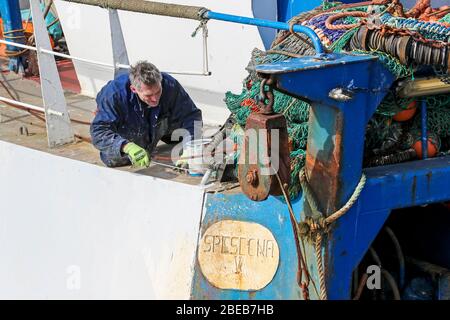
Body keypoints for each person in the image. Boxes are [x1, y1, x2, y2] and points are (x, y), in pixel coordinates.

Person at [90, 61, 202, 168]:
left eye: (158, 92)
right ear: (133, 89)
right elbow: (98, 131)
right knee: (117, 159)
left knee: (184, 136)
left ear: (160, 81)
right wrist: (126, 146)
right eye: (148, 95)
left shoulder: (169, 84)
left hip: (159, 121)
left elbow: (193, 115)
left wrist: (191, 147)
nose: (155, 99)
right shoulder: (114, 95)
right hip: (130, 124)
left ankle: (164, 136)